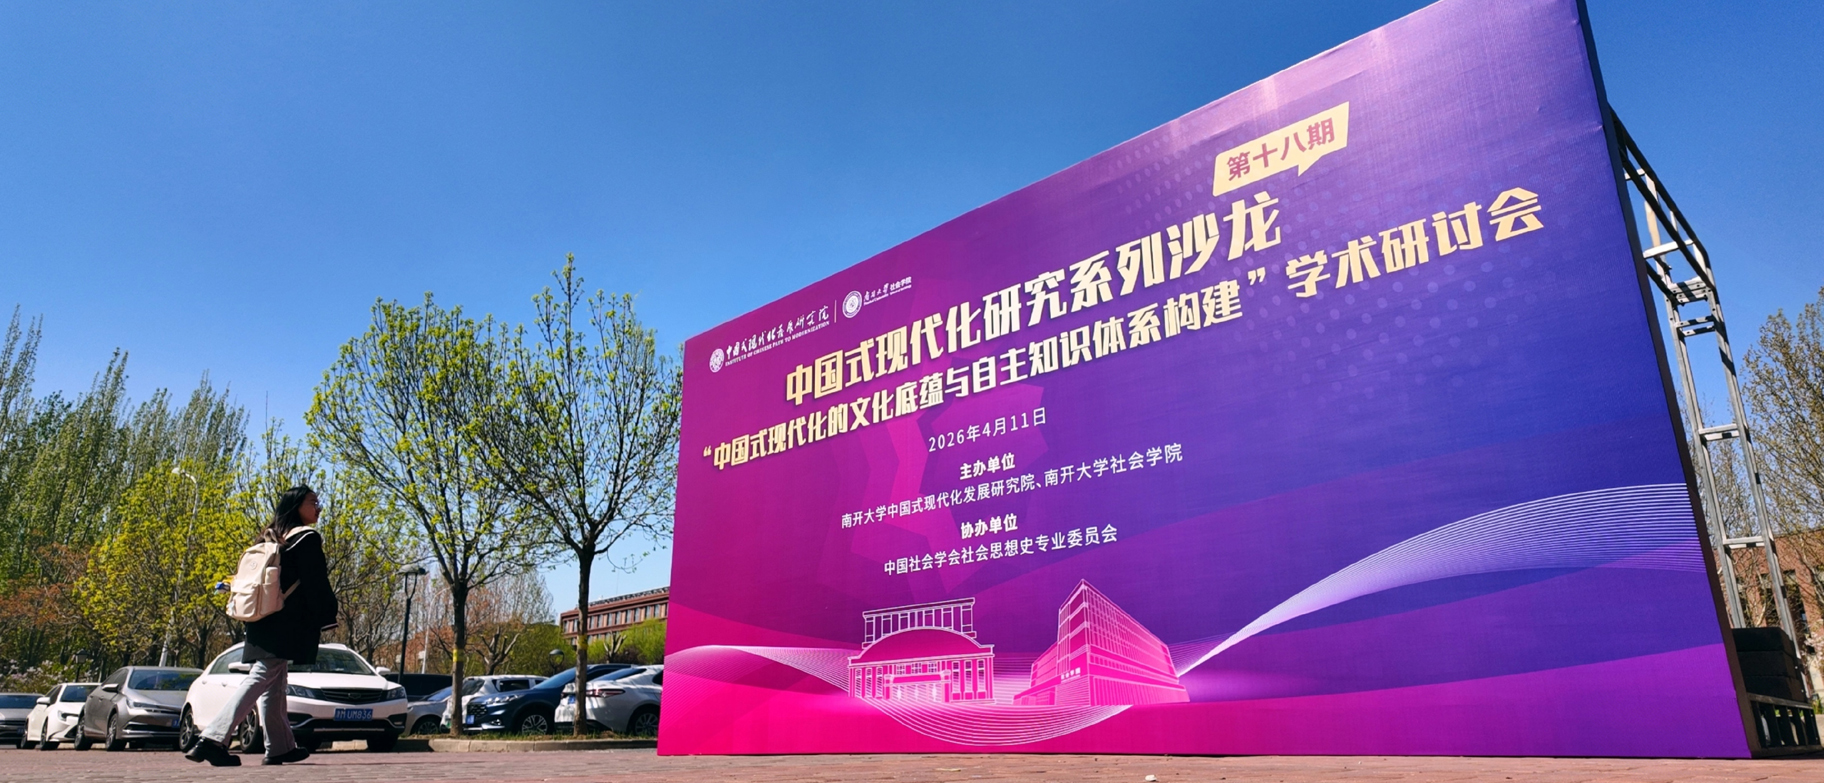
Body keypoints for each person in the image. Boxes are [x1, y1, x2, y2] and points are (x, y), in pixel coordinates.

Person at [186, 485, 338, 767]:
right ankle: (212, 739)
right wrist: (328, 614)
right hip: (286, 620)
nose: (318, 507)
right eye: (313, 502)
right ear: (296, 506)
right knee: (262, 677)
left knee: (275, 683)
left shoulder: (269, 536)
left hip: (260, 616)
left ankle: (280, 747)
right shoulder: (306, 538)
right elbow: (315, 581)